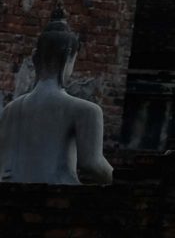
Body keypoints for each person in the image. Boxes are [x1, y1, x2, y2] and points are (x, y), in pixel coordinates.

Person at [0, 10, 113, 185]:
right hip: (58, 193)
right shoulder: (85, 110)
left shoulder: (10, 110)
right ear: (68, 57)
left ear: (35, 58)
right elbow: (91, 164)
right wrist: (119, 179)